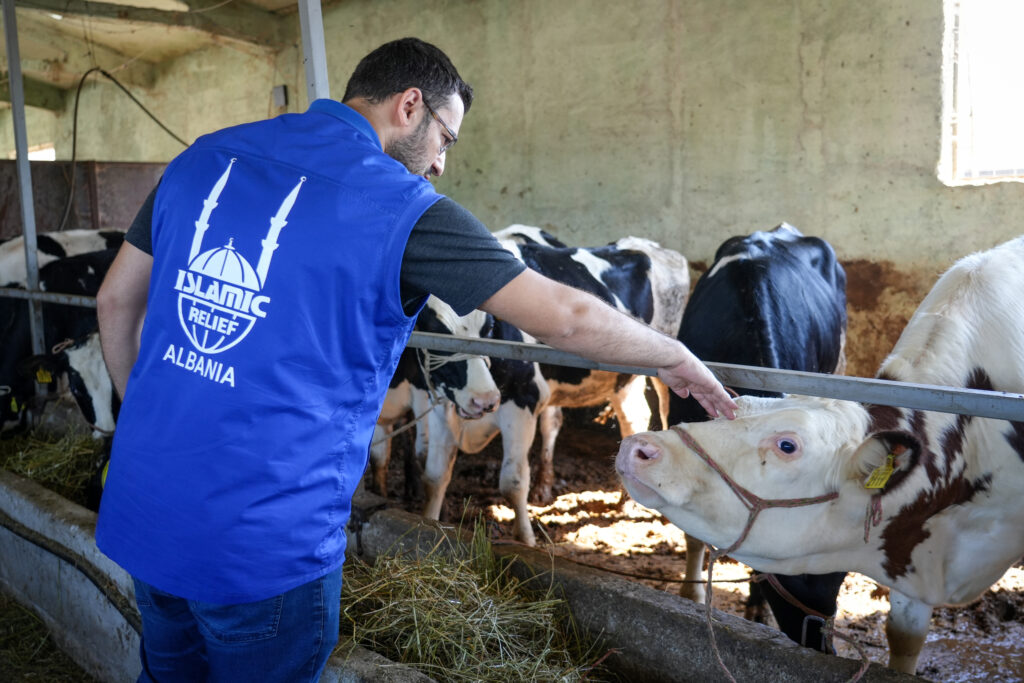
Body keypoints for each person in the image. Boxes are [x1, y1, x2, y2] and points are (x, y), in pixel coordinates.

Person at [95, 37, 737, 683]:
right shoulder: (400, 206)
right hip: (261, 543)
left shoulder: (204, 155)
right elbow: (566, 317)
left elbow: (114, 302)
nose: (441, 165)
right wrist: (673, 355)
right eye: (447, 139)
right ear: (411, 106)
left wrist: (149, 431)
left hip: (142, 506)